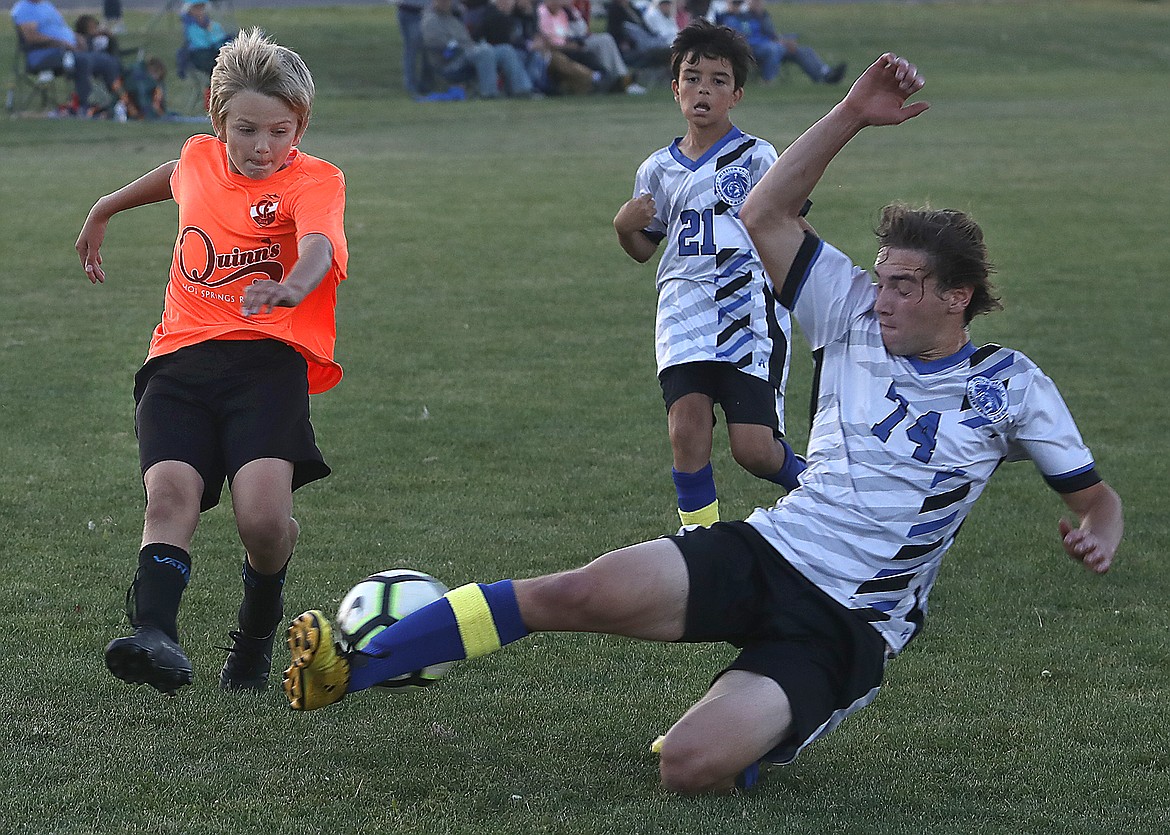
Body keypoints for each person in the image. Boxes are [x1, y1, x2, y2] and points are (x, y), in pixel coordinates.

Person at [280, 52, 1122, 795]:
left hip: (849, 623)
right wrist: (852, 115)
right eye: (879, 274)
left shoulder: (1012, 386)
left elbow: (1095, 495)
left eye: (903, 282)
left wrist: (1100, 529)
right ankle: (347, 669)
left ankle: (787, 718)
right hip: (773, 549)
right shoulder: (850, 314)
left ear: (956, 296)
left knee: (687, 766)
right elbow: (765, 214)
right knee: (569, 591)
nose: (881, 292)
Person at [75, 28, 349, 695]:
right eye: (247, 129)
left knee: (262, 520)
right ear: (217, 117)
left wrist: (293, 285)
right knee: (170, 495)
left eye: (280, 131)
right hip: (178, 364)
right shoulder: (200, 157)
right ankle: (154, 634)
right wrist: (105, 206)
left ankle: (255, 635)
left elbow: (316, 243)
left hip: (265, 368)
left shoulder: (315, 180)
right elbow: (176, 176)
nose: (262, 147)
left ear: (300, 125)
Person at [614, 20, 803, 528]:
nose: (704, 89)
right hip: (681, 309)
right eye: (693, 77)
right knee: (686, 426)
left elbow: (791, 222)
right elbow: (643, 249)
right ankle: (699, 539)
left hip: (747, 309)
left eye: (719, 80)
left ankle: (830, 499)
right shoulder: (656, 169)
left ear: (736, 94)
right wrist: (623, 227)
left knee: (755, 450)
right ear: (675, 87)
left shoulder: (759, 156)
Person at [11, 0, 123, 115]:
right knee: (82, 61)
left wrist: (77, 37)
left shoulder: (46, 5)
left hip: (69, 50)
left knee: (107, 61)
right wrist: (61, 43)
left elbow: (60, 28)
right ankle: (84, 106)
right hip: (44, 56)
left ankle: (118, 103)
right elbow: (31, 37)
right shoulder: (23, 9)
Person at [421, 0, 535, 99]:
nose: (445, 3)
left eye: (447, 1)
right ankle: (489, 93)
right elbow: (439, 45)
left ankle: (523, 90)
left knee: (506, 50)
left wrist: (473, 46)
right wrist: (467, 47)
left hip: (469, 53)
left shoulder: (453, 18)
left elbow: (468, 39)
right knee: (484, 51)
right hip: (451, 60)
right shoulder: (431, 20)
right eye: (442, 1)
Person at [717, 0, 844, 85]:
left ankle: (825, 75)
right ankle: (767, 81)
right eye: (735, 3)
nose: (738, 5)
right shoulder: (725, 17)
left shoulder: (753, 15)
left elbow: (770, 33)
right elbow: (729, 38)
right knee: (773, 50)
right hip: (750, 49)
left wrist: (784, 40)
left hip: (769, 45)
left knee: (803, 51)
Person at [538, 0, 645, 94]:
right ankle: (617, 79)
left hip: (575, 42)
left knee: (605, 40)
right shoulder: (543, 13)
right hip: (562, 48)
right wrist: (571, 45)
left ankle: (621, 78)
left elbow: (581, 30)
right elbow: (550, 41)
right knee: (602, 43)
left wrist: (571, 11)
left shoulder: (563, 13)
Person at [181, 0, 233, 74]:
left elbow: (220, 34)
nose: (199, 11)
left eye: (201, 8)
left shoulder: (210, 23)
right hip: (199, 53)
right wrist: (208, 32)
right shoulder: (190, 26)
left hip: (213, 50)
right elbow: (201, 43)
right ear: (190, 10)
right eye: (196, 8)